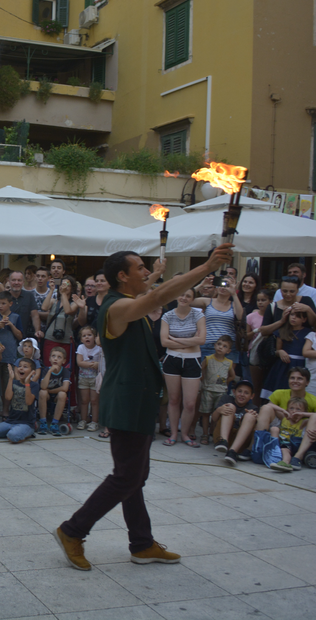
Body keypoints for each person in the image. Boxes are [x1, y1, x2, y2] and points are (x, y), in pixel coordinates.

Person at [55, 244, 232, 572]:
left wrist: (156, 277)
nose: (145, 271)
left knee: (135, 476)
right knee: (126, 477)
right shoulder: (116, 308)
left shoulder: (125, 302)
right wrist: (207, 266)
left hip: (137, 400)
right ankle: (72, 531)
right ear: (122, 276)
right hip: (127, 402)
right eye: (139, 268)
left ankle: (141, 543)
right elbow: (154, 299)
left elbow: (151, 292)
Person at [160, 288, 206, 447]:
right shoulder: (167, 315)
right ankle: (173, 433)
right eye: (181, 294)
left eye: (188, 296)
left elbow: (201, 340)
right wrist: (190, 340)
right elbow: (164, 342)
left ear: (192, 299)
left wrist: (176, 340)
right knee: (173, 399)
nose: (184, 298)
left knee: (190, 403)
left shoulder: (198, 314)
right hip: (172, 359)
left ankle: (185, 434)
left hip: (192, 360)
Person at [0, 360, 39, 443]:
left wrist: (27, 383)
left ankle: (28, 432)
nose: (21, 368)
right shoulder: (14, 382)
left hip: (26, 423)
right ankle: (14, 431)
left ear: (32, 372)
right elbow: (8, 397)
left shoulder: (34, 385)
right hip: (11, 421)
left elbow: (28, 402)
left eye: (25, 367)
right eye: (19, 366)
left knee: (13, 436)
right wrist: (10, 379)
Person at [196, 335, 237, 443]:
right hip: (208, 390)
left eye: (224, 346)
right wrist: (203, 379)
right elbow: (200, 370)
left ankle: (213, 433)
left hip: (221, 392)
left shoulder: (229, 363)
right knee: (205, 413)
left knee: (216, 413)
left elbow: (232, 376)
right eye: (219, 344)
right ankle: (204, 434)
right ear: (214, 345)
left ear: (228, 351)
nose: (220, 347)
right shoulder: (208, 359)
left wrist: (224, 382)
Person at [211, 379, 258, 465]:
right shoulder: (226, 398)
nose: (242, 395)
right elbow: (214, 419)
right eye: (239, 391)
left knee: (251, 415)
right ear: (234, 392)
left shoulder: (253, 407)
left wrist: (254, 417)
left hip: (239, 441)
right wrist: (219, 410)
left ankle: (233, 451)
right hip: (221, 436)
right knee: (230, 406)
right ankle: (223, 441)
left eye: (246, 393)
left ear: (252, 396)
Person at [75, 326, 102, 433]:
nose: (87, 337)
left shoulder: (99, 349)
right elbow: (79, 362)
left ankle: (94, 421)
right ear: (81, 339)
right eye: (84, 335)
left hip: (95, 379)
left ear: (95, 337)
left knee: (95, 401)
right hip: (83, 378)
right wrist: (92, 364)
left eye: (89, 335)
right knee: (84, 400)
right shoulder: (81, 348)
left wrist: (98, 364)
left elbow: (102, 363)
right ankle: (83, 420)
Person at [38, 347, 70, 435]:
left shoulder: (65, 371)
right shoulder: (46, 370)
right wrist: (50, 371)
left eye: (59, 357)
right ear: (49, 358)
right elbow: (43, 387)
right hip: (46, 396)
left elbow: (65, 388)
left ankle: (54, 423)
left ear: (64, 361)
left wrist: (50, 391)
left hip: (56, 396)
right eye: (53, 356)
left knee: (63, 394)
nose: (55, 358)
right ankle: (43, 422)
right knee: (42, 392)